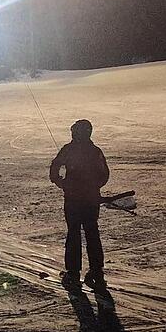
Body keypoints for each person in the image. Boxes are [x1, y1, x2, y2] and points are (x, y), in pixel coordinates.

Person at [50, 119, 110, 291]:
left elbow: (55, 167)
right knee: (92, 234)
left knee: (74, 234)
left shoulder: (69, 149)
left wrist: (61, 182)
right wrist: (93, 187)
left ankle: (73, 273)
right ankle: (97, 273)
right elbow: (104, 175)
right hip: (91, 201)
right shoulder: (95, 151)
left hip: (73, 201)